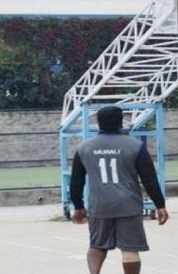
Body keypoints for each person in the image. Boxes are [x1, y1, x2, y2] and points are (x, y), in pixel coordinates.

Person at [70, 106, 168, 274]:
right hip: (128, 205)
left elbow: (76, 181)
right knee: (130, 250)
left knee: (97, 245)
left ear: (98, 123)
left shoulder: (84, 148)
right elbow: (149, 179)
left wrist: (78, 206)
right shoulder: (136, 146)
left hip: (99, 205)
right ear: (121, 122)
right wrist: (160, 204)